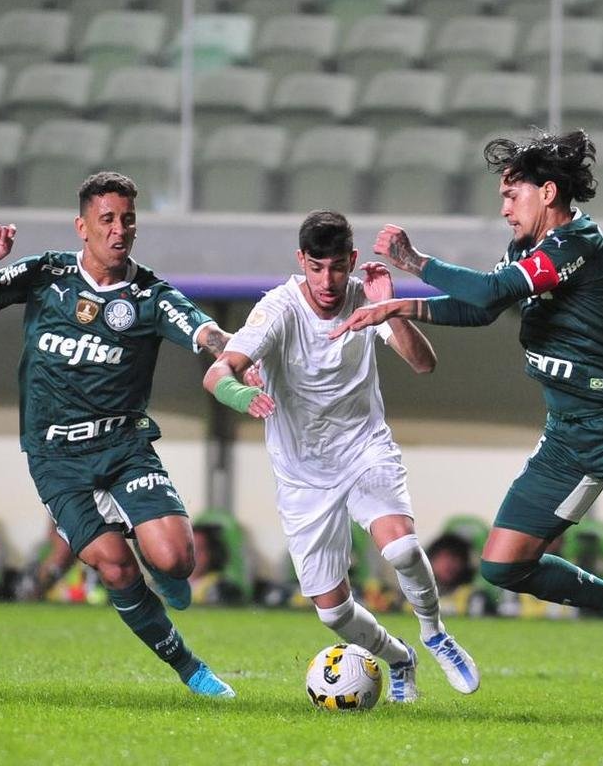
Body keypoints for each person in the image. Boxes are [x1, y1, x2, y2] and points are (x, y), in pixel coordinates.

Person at [329, 130, 603, 720]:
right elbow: (484, 306)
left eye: (511, 194)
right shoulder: (524, 250)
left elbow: (492, 291)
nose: (503, 207)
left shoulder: (579, 243)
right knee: (503, 564)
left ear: (547, 192)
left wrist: (415, 265)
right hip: (567, 432)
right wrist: (397, 306)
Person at [0, 171, 235, 697]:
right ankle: (193, 670)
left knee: (176, 560)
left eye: (128, 220)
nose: (119, 230)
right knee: (116, 570)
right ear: (83, 226)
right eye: (107, 220)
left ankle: (161, 563)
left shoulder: (149, 294)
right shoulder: (46, 273)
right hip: (55, 457)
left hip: (123, 446)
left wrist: (240, 354)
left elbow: (204, 331)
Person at [203, 210, 480, 703]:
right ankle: (399, 658)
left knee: (400, 547)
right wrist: (243, 396)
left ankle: (435, 633)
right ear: (301, 262)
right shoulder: (277, 310)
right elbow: (219, 372)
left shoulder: (363, 296)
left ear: (352, 261)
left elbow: (423, 364)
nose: (327, 281)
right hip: (303, 472)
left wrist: (390, 306)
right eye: (316, 268)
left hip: (362, 448)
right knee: (332, 611)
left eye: (335, 267)